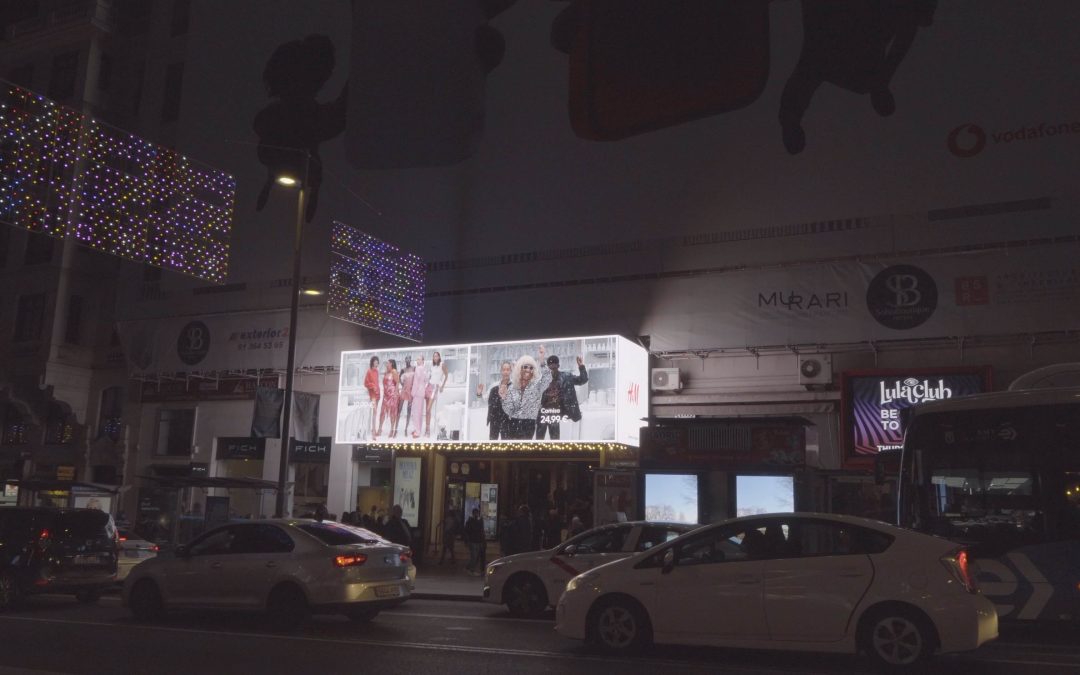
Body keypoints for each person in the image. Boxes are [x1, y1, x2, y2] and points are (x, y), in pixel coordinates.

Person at [535, 353, 588, 440]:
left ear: (558, 366)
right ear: (547, 367)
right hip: (543, 413)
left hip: (556, 413)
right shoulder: (542, 379)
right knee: (539, 440)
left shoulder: (566, 377)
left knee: (555, 441)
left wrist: (581, 366)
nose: (552, 370)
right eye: (550, 368)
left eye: (554, 368)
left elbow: (583, 379)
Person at [500, 348, 549, 440]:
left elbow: (547, 379)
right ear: (520, 368)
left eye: (531, 367)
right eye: (525, 367)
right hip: (513, 424)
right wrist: (504, 398)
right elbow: (509, 410)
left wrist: (542, 362)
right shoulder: (513, 387)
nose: (528, 370)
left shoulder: (537, 387)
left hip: (529, 424)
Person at [477, 360, 512, 440]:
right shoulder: (494, 386)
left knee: (506, 443)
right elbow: (484, 400)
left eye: (508, 369)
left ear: (511, 371)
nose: (506, 372)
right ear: (501, 371)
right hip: (494, 420)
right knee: (493, 442)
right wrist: (479, 394)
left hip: (508, 420)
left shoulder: (514, 387)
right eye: (504, 369)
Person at [426, 351, 449, 438]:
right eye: (434, 356)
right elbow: (430, 377)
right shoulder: (432, 366)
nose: (435, 358)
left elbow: (446, 375)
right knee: (427, 409)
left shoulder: (442, 364)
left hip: (435, 388)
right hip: (429, 386)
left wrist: (442, 386)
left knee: (428, 409)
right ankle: (427, 429)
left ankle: (430, 430)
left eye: (436, 356)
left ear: (439, 357)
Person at [376, 359, 400, 438]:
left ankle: (392, 430)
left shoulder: (394, 371)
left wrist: (396, 394)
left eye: (388, 364)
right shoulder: (386, 372)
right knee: (382, 413)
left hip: (392, 395)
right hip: (386, 396)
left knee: (392, 414)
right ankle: (380, 429)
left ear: (392, 364)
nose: (387, 365)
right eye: (386, 364)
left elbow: (397, 383)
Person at [409, 354, 430, 438]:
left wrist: (412, 393)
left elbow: (416, 382)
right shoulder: (424, 369)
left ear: (422, 361)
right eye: (417, 359)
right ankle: (418, 429)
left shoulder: (418, 368)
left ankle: (417, 432)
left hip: (417, 392)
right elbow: (426, 380)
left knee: (416, 412)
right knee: (420, 412)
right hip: (422, 392)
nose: (417, 361)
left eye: (419, 359)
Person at [363, 355, 381, 440]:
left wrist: (377, 389)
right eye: (375, 361)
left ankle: (373, 430)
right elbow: (366, 383)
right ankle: (373, 433)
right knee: (374, 413)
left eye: (377, 362)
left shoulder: (377, 371)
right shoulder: (369, 371)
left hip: (378, 394)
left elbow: (377, 383)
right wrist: (372, 386)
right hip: (373, 396)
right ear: (372, 362)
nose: (377, 363)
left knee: (375, 413)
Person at [464, 507, 485, 576]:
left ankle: (468, 568)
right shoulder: (471, 521)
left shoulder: (478, 521)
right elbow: (467, 531)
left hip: (477, 541)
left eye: (477, 513)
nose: (476, 514)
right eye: (476, 513)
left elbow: (481, 531)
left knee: (476, 556)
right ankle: (471, 569)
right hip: (473, 541)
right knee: (474, 556)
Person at [398, 356, 415, 436]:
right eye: (406, 359)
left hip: (410, 391)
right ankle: (396, 428)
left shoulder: (414, 368)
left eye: (409, 359)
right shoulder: (403, 370)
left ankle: (406, 429)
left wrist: (413, 386)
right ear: (405, 360)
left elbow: (416, 378)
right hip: (404, 390)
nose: (408, 360)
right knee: (399, 409)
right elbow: (398, 379)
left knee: (409, 410)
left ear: (410, 360)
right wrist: (402, 384)